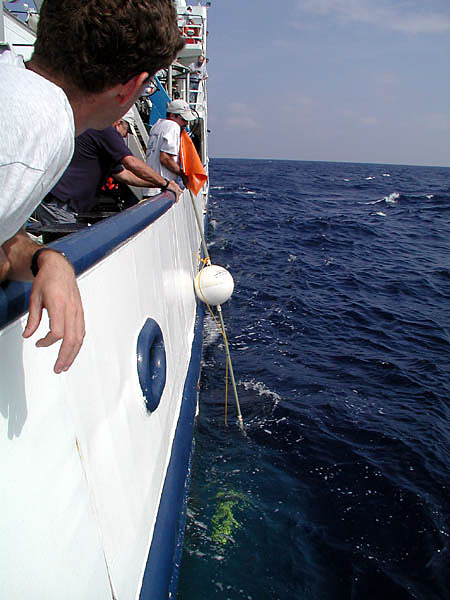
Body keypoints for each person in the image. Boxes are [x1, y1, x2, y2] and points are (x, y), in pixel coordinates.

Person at [0, 0, 184, 374]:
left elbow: (6, 240)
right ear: (130, 87)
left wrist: (43, 258)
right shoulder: (39, 130)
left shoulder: (14, 83)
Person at [35, 112, 183, 225]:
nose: (125, 137)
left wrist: (157, 184)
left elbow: (123, 175)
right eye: (127, 131)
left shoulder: (101, 139)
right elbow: (131, 163)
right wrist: (165, 184)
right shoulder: (105, 130)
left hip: (65, 204)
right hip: (60, 203)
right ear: (118, 123)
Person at [143, 100, 196, 198]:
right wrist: (183, 175)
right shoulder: (173, 126)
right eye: (184, 119)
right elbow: (165, 158)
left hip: (149, 189)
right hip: (161, 190)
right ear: (172, 115)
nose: (186, 123)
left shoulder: (157, 125)